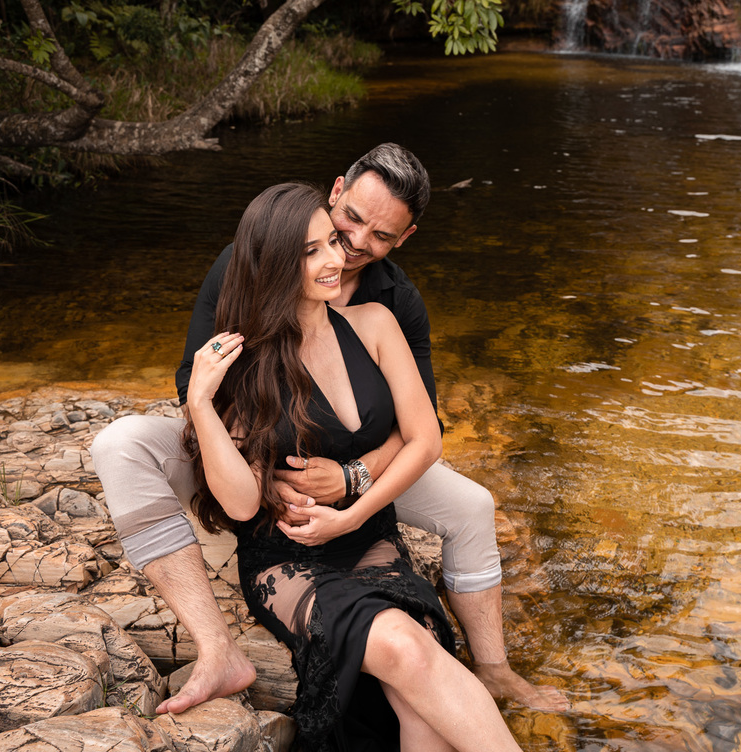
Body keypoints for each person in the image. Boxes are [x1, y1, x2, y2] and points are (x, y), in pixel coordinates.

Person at [90, 143, 567, 714]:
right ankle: (217, 650)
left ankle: (493, 669)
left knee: (473, 506)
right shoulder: (253, 260)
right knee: (119, 445)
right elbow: (196, 378)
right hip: (254, 453)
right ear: (336, 191)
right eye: (355, 218)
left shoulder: (395, 304)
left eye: (383, 236)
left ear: (405, 239)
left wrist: (353, 478)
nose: (359, 243)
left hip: (356, 458)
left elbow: (420, 426)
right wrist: (262, 474)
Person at [186, 182, 522, 751]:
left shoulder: (375, 324)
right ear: (272, 264)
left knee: (416, 703)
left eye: (331, 243)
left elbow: (424, 439)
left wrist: (352, 512)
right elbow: (241, 503)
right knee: (408, 650)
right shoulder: (247, 358)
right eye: (312, 251)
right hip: (287, 560)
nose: (336, 259)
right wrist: (200, 405)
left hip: (371, 537)